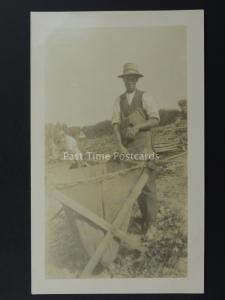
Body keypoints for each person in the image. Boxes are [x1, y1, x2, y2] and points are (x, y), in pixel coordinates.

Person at [112, 63, 160, 234]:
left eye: (133, 78)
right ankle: (144, 220)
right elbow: (116, 126)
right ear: (123, 80)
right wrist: (120, 147)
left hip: (145, 147)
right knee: (134, 187)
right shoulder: (119, 100)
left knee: (147, 185)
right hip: (129, 150)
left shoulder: (145, 96)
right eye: (127, 79)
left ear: (137, 80)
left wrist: (139, 127)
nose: (130, 81)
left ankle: (152, 224)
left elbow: (155, 119)